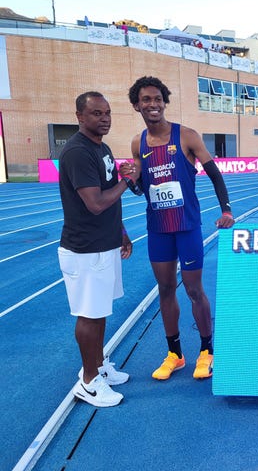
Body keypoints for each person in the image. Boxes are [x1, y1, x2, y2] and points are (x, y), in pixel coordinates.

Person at [127, 76, 235, 381]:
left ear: (165, 102)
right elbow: (140, 189)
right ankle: (175, 354)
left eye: (158, 99)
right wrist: (131, 179)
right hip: (159, 227)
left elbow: (214, 174)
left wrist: (226, 209)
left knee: (193, 289)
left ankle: (206, 350)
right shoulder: (138, 143)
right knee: (164, 289)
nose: (153, 104)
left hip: (186, 226)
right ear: (137, 105)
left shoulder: (186, 136)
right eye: (146, 100)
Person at [58, 91, 139, 407]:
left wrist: (121, 232)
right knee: (89, 315)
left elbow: (107, 197)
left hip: (104, 245)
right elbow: (95, 203)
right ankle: (89, 381)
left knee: (101, 310)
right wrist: (128, 180)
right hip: (85, 250)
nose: (104, 118)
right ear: (79, 116)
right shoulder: (77, 152)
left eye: (107, 113)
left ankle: (100, 365)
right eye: (96, 113)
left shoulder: (101, 147)